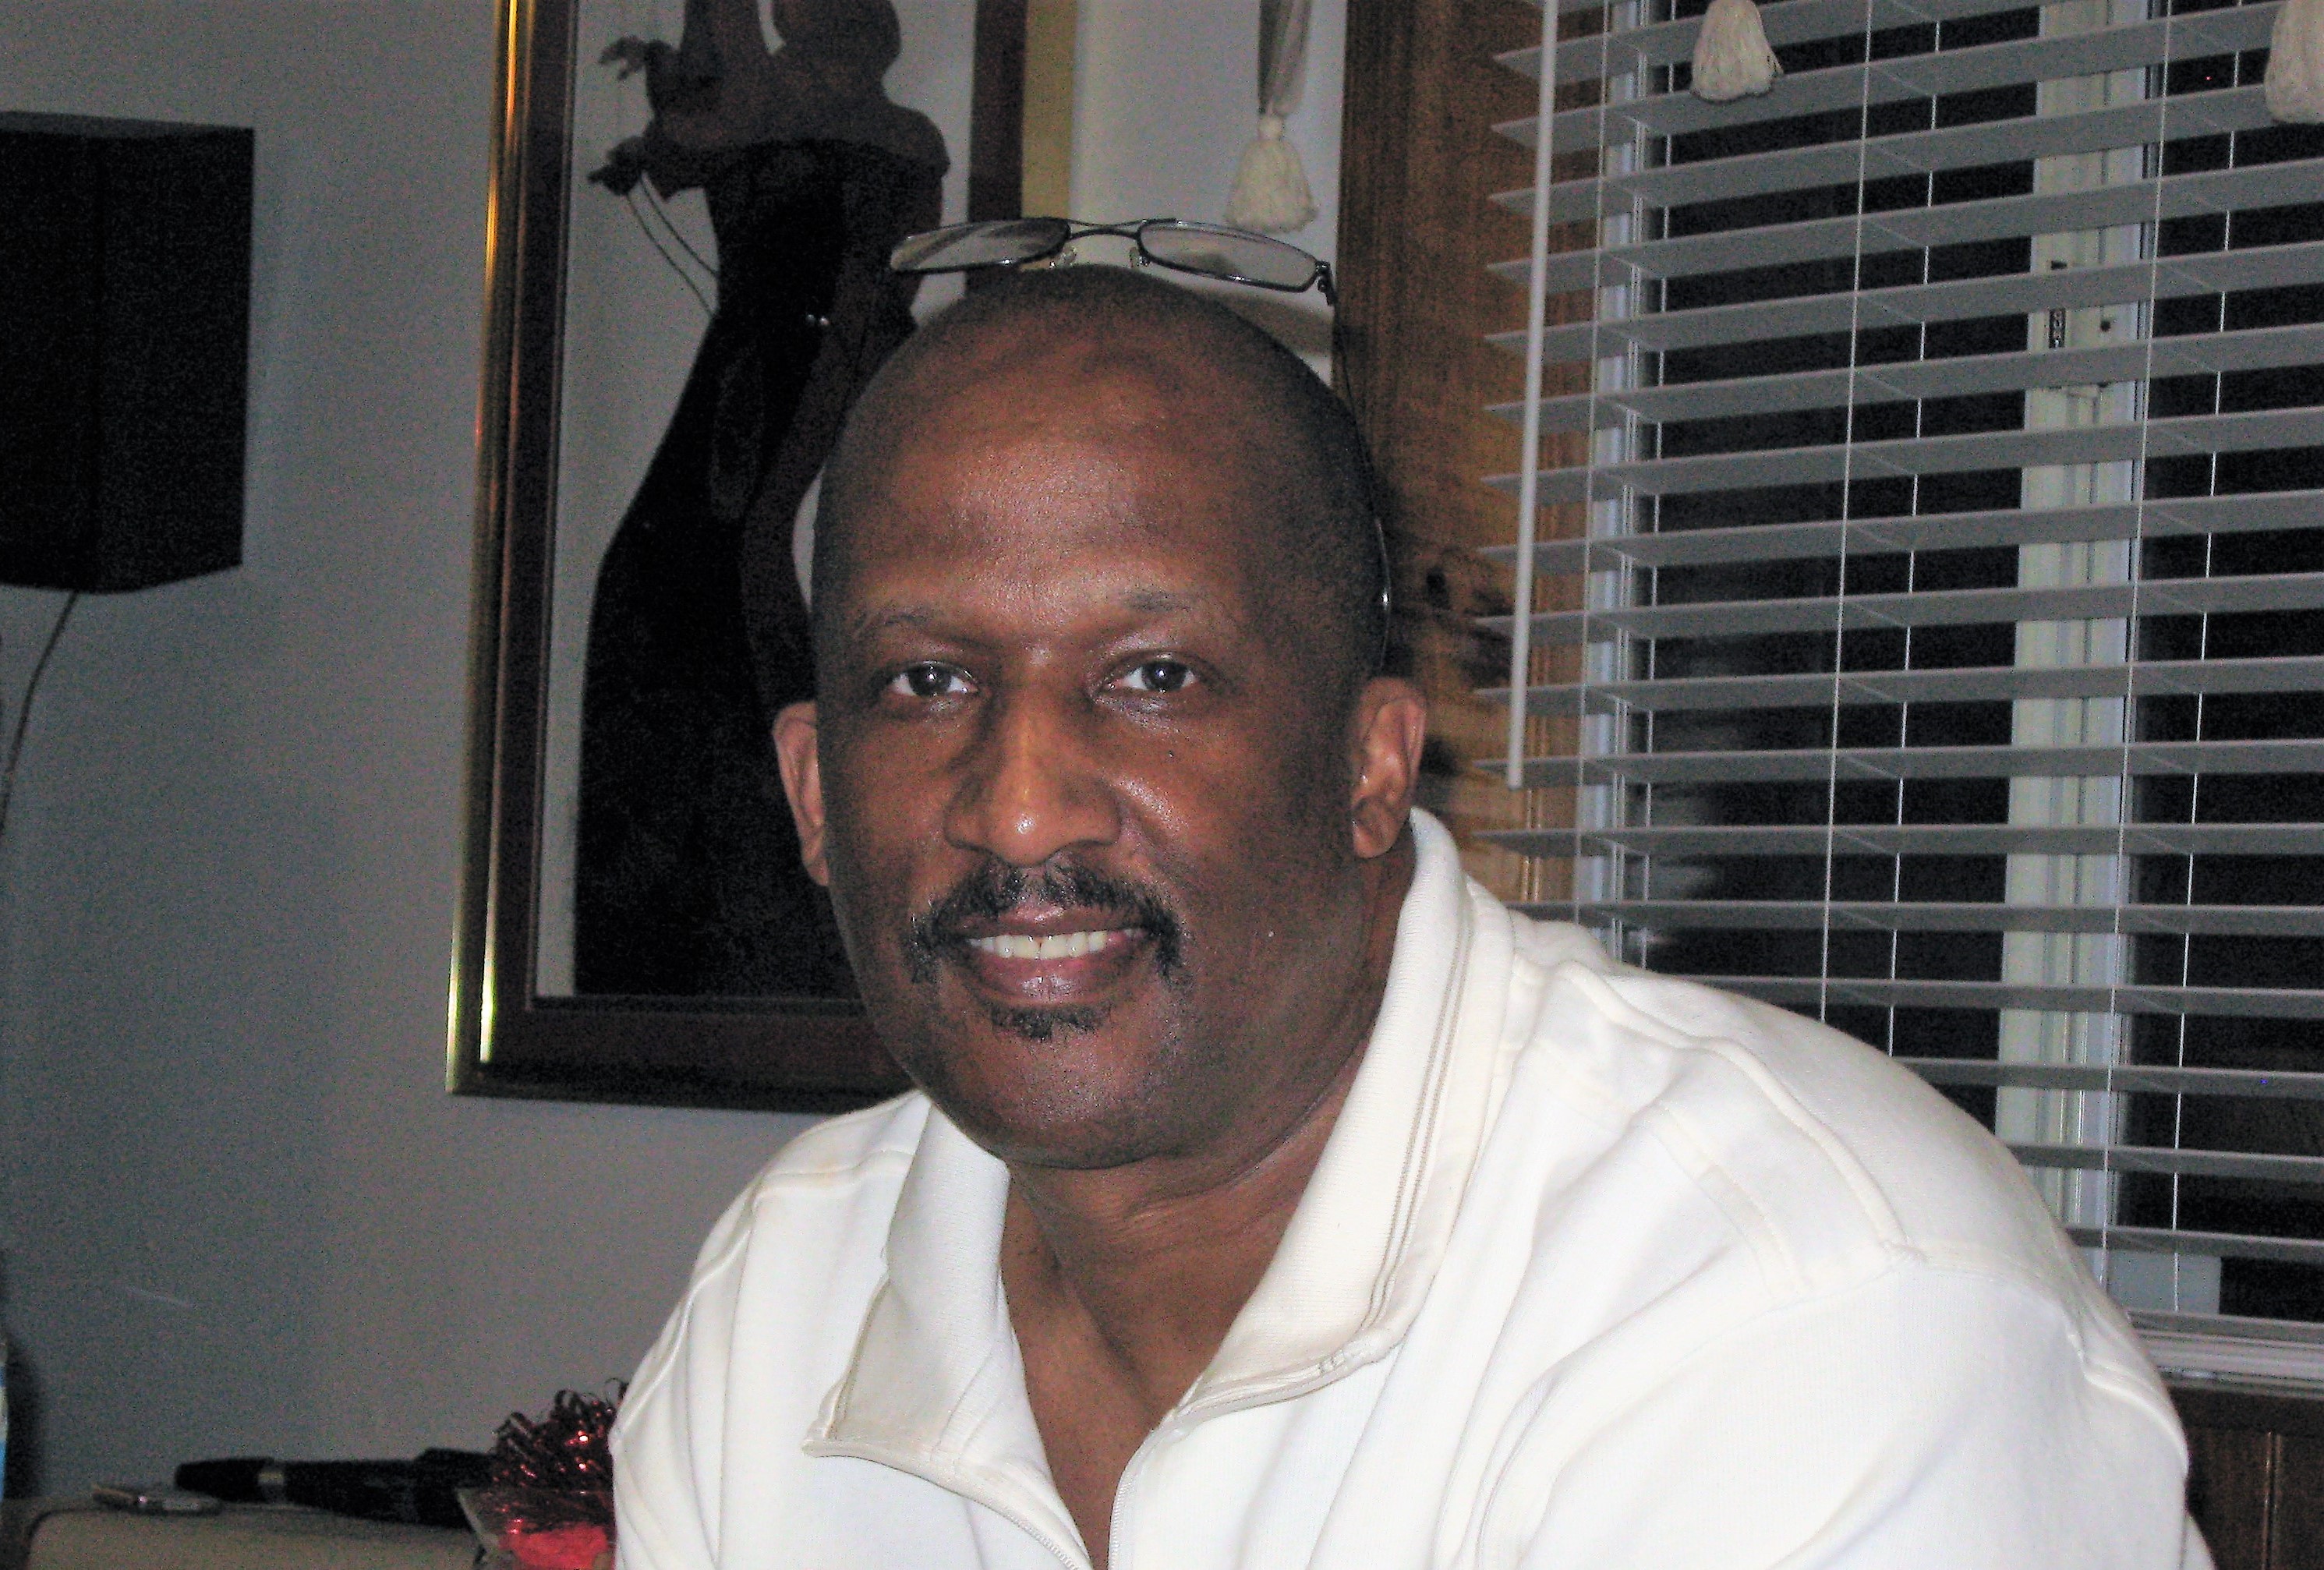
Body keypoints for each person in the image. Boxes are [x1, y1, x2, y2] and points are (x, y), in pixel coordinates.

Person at [609, 265, 2210, 1568]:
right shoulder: (784, 1298)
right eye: (925, 680)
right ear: (813, 792)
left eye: (1152, 675)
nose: (1019, 808)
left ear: (1369, 764)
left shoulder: (1792, 1298)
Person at [575, 0, 944, 996]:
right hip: (766, 357)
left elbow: (718, 122)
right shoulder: (803, 110)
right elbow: (703, 123)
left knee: (724, 561)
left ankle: (761, 876)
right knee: (676, 569)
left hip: (800, 357)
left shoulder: (868, 127)